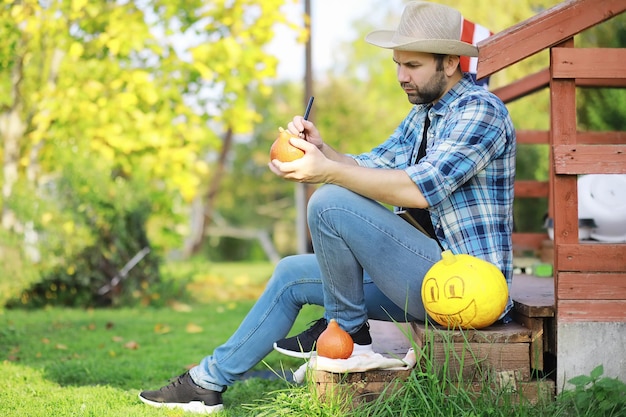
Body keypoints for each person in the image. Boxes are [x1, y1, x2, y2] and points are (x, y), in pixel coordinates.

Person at [138, 1, 516, 414]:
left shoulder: (481, 111)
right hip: (424, 275)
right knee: (290, 274)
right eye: (397, 64)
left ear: (449, 63)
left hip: (469, 287)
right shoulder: (423, 115)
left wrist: (327, 174)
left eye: (412, 65)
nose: (400, 76)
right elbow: (369, 165)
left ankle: (349, 332)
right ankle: (206, 382)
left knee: (330, 200)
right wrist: (322, 151)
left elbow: (419, 189)